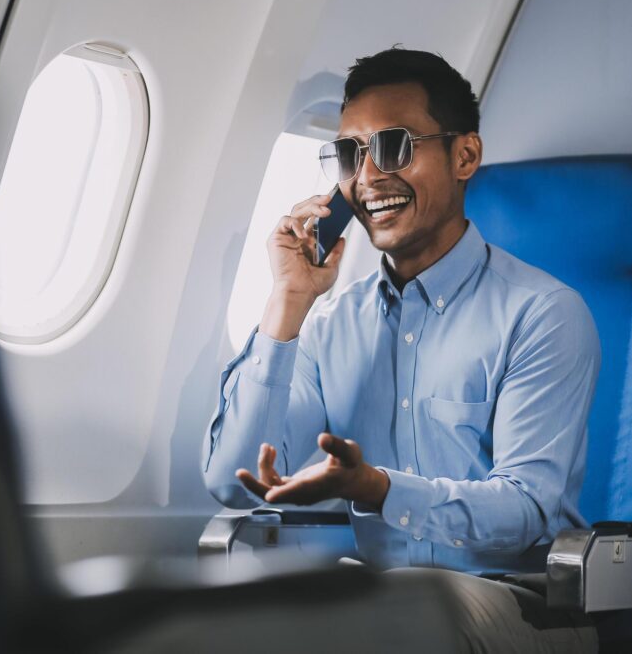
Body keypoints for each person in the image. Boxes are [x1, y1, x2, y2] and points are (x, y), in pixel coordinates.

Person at [201, 48, 601, 651]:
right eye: (348, 155)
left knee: (395, 620)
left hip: (522, 607)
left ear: (464, 155)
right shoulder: (333, 323)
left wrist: (378, 487)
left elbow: (525, 510)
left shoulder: (542, 313)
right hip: (384, 603)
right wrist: (288, 300)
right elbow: (237, 483)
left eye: (394, 147)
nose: (366, 179)